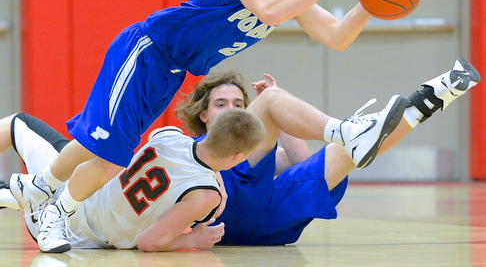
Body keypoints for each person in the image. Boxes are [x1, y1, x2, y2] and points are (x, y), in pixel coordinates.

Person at [11, 0, 412, 253]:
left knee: (103, 148)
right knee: (109, 149)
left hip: (173, 68)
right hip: (146, 49)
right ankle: (49, 206)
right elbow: (270, 12)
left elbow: (337, 37)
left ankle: (40, 193)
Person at [174, 58, 480, 245]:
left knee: (345, 153)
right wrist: (271, 104)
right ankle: (349, 129)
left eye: (239, 105)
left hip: (268, 225)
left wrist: (279, 115)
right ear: (203, 114)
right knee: (279, 105)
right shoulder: (187, 151)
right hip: (220, 218)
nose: (232, 110)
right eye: (221, 104)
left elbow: (302, 163)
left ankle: (434, 96)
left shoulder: (256, 151)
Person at [1, 108, 265, 252]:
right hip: (76, 237)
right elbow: (149, 242)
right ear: (239, 156)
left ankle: (22, 195)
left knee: (18, 122)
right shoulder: (206, 195)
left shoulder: (169, 134)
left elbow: (188, 158)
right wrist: (192, 240)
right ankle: (18, 197)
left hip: (71, 202)